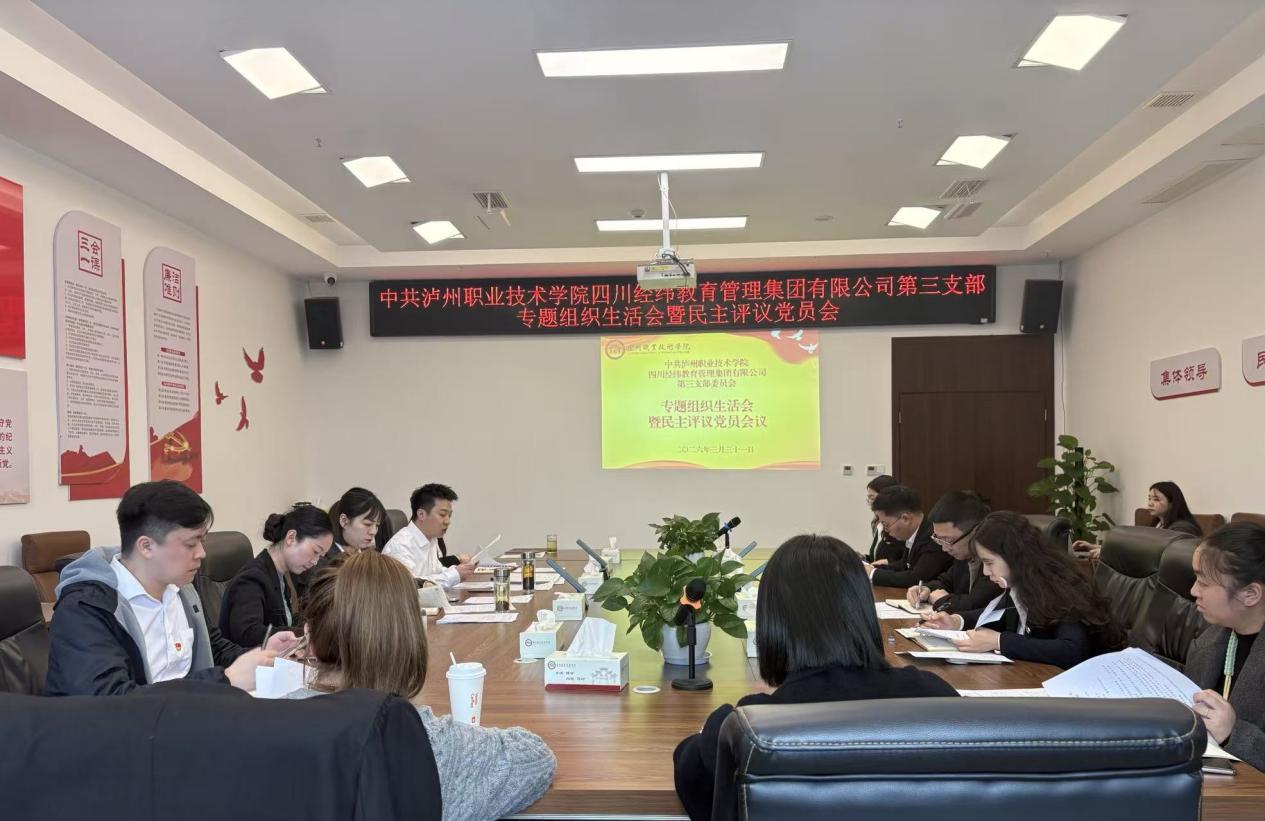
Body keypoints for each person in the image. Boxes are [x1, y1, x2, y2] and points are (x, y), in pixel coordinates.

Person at [673, 534, 957, 821]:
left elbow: (694, 775)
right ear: (862, 607)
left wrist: (715, 725)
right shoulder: (936, 700)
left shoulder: (751, 727)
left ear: (772, 621)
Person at [286, 550, 556, 821]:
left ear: (310, 637)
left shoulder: (271, 726)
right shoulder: (435, 743)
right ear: (412, 637)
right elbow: (535, 758)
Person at [45, 481, 299, 696]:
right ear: (146, 547)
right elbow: (110, 701)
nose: (202, 553)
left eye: (202, 541)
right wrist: (226, 680)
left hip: (182, 721)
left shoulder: (180, 589)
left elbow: (214, 648)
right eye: (191, 544)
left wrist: (262, 655)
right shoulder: (87, 608)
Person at [922, 511, 1124, 669]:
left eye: (989, 563)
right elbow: (1002, 615)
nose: (986, 571)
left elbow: (1071, 649)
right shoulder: (1025, 582)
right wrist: (956, 621)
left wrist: (999, 641)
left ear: (1013, 556)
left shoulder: (1059, 587)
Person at [1186, 522, 1265, 770]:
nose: (1193, 590)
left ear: (1250, 594)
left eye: (1203, 582)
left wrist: (1234, 732)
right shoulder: (1212, 637)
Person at [218, 504, 333, 647]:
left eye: (320, 556)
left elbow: (285, 621)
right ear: (291, 537)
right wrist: (302, 633)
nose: (315, 562)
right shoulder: (251, 579)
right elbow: (247, 633)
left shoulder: (282, 575)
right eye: (315, 551)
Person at [906, 491, 1001, 613]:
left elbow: (977, 605)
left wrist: (944, 600)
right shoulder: (964, 554)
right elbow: (946, 581)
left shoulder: (996, 558)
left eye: (948, 540)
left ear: (976, 531)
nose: (944, 548)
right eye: (939, 539)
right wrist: (926, 589)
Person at [1073, 481, 1203, 557]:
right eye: (1149, 498)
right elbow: (1138, 547)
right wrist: (1097, 547)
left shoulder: (1182, 530)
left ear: (1172, 503)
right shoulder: (1158, 524)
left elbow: (1152, 554)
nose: (1150, 503)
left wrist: (1109, 553)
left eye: (1156, 499)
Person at [383, 483, 476, 587]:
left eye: (449, 515)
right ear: (421, 514)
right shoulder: (401, 546)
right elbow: (412, 585)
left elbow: (436, 571)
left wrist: (460, 571)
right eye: (442, 514)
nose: (448, 521)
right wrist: (454, 575)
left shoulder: (431, 539)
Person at [865, 485, 952, 589]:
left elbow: (917, 578)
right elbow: (903, 566)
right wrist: (872, 568)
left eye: (886, 525)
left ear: (905, 519)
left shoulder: (934, 537)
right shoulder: (917, 532)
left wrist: (873, 574)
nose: (886, 531)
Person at [328, 486, 389, 554]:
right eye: (368, 524)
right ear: (344, 521)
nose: (373, 532)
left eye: (377, 525)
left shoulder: (369, 554)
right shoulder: (324, 557)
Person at [863, 474, 902, 565]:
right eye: (868, 498)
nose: (870, 503)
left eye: (872, 498)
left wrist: (888, 562)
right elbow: (876, 558)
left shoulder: (900, 524)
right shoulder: (879, 524)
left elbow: (906, 561)